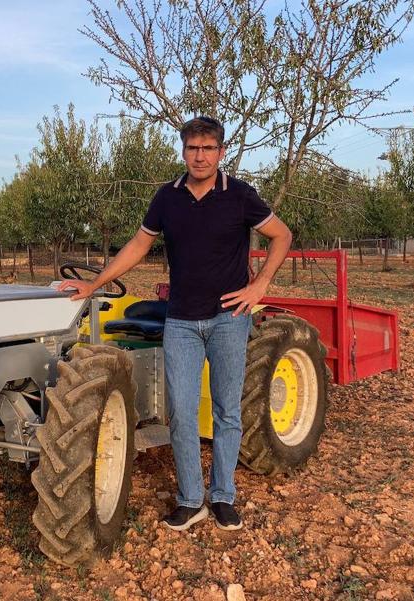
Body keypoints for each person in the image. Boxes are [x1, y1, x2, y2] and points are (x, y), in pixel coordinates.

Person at [58, 116, 292, 531]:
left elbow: (282, 235)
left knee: (226, 412)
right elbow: (138, 245)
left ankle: (222, 497)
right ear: (183, 151)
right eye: (192, 148)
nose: (200, 156)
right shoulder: (167, 197)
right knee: (181, 413)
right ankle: (190, 500)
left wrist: (260, 286)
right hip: (181, 320)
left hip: (228, 319)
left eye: (208, 149)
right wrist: (95, 282)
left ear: (221, 152)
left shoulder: (239, 195)